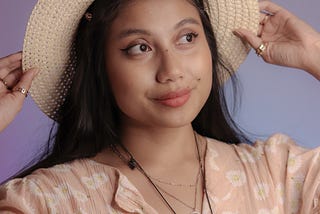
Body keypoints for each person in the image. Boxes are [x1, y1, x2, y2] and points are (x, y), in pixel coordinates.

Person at [0, 0, 320, 213]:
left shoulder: (280, 173)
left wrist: (316, 54)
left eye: (187, 38)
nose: (171, 71)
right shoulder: (45, 201)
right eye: (140, 47)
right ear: (100, 65)